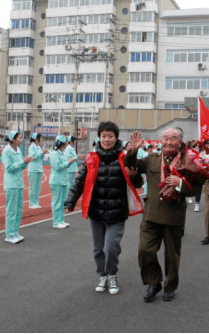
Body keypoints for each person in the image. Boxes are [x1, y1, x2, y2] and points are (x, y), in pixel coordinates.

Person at [125, 128, 202, 303]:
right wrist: (133, 151)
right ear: (161, 141)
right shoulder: (151, 159)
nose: (168, 142)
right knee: (144, 250)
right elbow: (131, 167)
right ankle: (153, 282)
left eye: (173, 138)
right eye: (165, 138)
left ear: (180, 141)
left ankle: (170, 286)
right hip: (151, 214)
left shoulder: (188, 162)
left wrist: (181, 183)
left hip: (174, 214)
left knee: (172, 255)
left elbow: (197, 189)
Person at [65, 122, 143, 295]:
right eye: (104, 136)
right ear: (99, 138)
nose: (107, 140)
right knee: (98, 249)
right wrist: (70, 201)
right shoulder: (91, 158)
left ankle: (112, 274)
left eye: (110, 136)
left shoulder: (124, 157)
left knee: (111, 247)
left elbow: (137, 183)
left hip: (117, 212)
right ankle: (103, 275)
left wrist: (134, 169)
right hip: (96, 212)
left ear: (116, 138)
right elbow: (79, 181)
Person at [2, 131, 34, 244]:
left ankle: (15, 232)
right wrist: (22, 162)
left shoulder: (18, 150)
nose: (21, 140)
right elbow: (9, 167)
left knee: (18, 209)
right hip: (11, 184)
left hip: (19, 183)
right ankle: (9, 235)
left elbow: (21, 166)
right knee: (11, 210)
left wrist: (26, 162)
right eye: (19, 138)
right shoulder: (6, 152)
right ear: (13, 140)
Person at [50, 135, 74, 229]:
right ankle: (56, 221)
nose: (66, 144)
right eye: (65, 143)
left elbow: (64, 166)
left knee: (62, 201)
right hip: (57, 181)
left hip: (63, 180)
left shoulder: (63, 154)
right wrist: (68, 162)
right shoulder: (54, 154)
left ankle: (61, 219)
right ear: (62, 144)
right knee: (57, 201)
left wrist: (68, 162)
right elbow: (58, 167)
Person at [28, 133, 49, 209]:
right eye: (40, 138)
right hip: (33, 169)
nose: (41, 139)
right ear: (36, 139)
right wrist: (41, 153)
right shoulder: (31, 147)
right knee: (33, 187)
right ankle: (31, 203)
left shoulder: (39, 147)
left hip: (39, 168)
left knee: (38, 187)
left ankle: (36, 202)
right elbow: (33, 157)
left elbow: (40, 157)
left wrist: (43, 153)